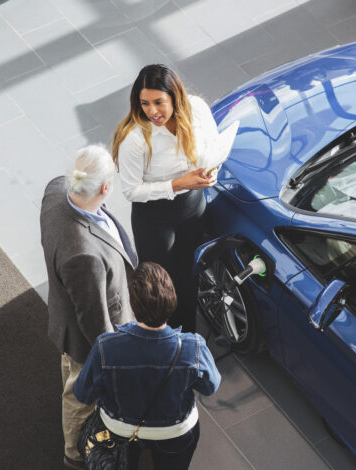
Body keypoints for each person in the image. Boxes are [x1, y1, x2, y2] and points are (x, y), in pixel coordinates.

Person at [40, 144, 138, 469]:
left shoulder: (55, 190)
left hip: (63, 310)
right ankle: (73, 454)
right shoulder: (84, 256)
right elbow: (94, 321)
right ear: (105, 188)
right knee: (80, 395)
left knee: (70, 373)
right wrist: (114, 359)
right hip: (83, 336)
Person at [74, 262, 221, 470]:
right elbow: (210, 386)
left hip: (120, 429)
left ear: (133, 306)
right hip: (175, 431)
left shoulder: (106, 346)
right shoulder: (193, 347)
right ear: (172, 300)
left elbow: (83, 393)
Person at [112, 64, 218, 333]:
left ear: (175, 97)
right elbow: (131, 190)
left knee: (189, 278)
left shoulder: (197, 110)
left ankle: (190, 336)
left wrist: (212, 170)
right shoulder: (135, 139)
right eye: (144, 103)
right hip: (155, 219)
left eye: (159, 102)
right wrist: (179, 183)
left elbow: (213, 145)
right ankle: (163, 338)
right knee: (160, 287)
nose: (151, 111)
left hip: (193, 206)